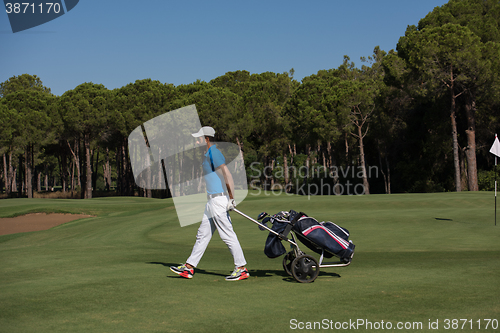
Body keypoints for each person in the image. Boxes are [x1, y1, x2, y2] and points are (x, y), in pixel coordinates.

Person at [170, 126, 249, 281]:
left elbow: (227, 174)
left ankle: (241, 269)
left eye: (199, 138)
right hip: (211, 201)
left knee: (227, 235)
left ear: (206, 139)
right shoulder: (208, 154)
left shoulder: (214, 153)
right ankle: (189, 267)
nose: (196, 141)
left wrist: (232, 198)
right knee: (202, 235)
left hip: (218, 201)